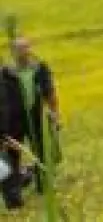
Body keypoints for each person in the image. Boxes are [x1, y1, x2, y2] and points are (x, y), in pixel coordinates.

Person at [9, 37, 60, 196]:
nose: (23, 52)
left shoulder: (39, 69)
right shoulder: (6, 72)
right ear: (13, 52)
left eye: (25, 48)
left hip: (36, 114)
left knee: (40, 150)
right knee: (12, 154)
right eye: (19, 49)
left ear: (30, 49)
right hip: (14, 118)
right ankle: (14, 192)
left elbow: (49, 92)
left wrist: (54, 113)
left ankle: (43, 185)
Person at [0, 64, 23, 210]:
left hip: (11, 128)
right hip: (6, 130)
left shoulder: (9, 77)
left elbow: (8, 106)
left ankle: (13, 199)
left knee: (10, 163)